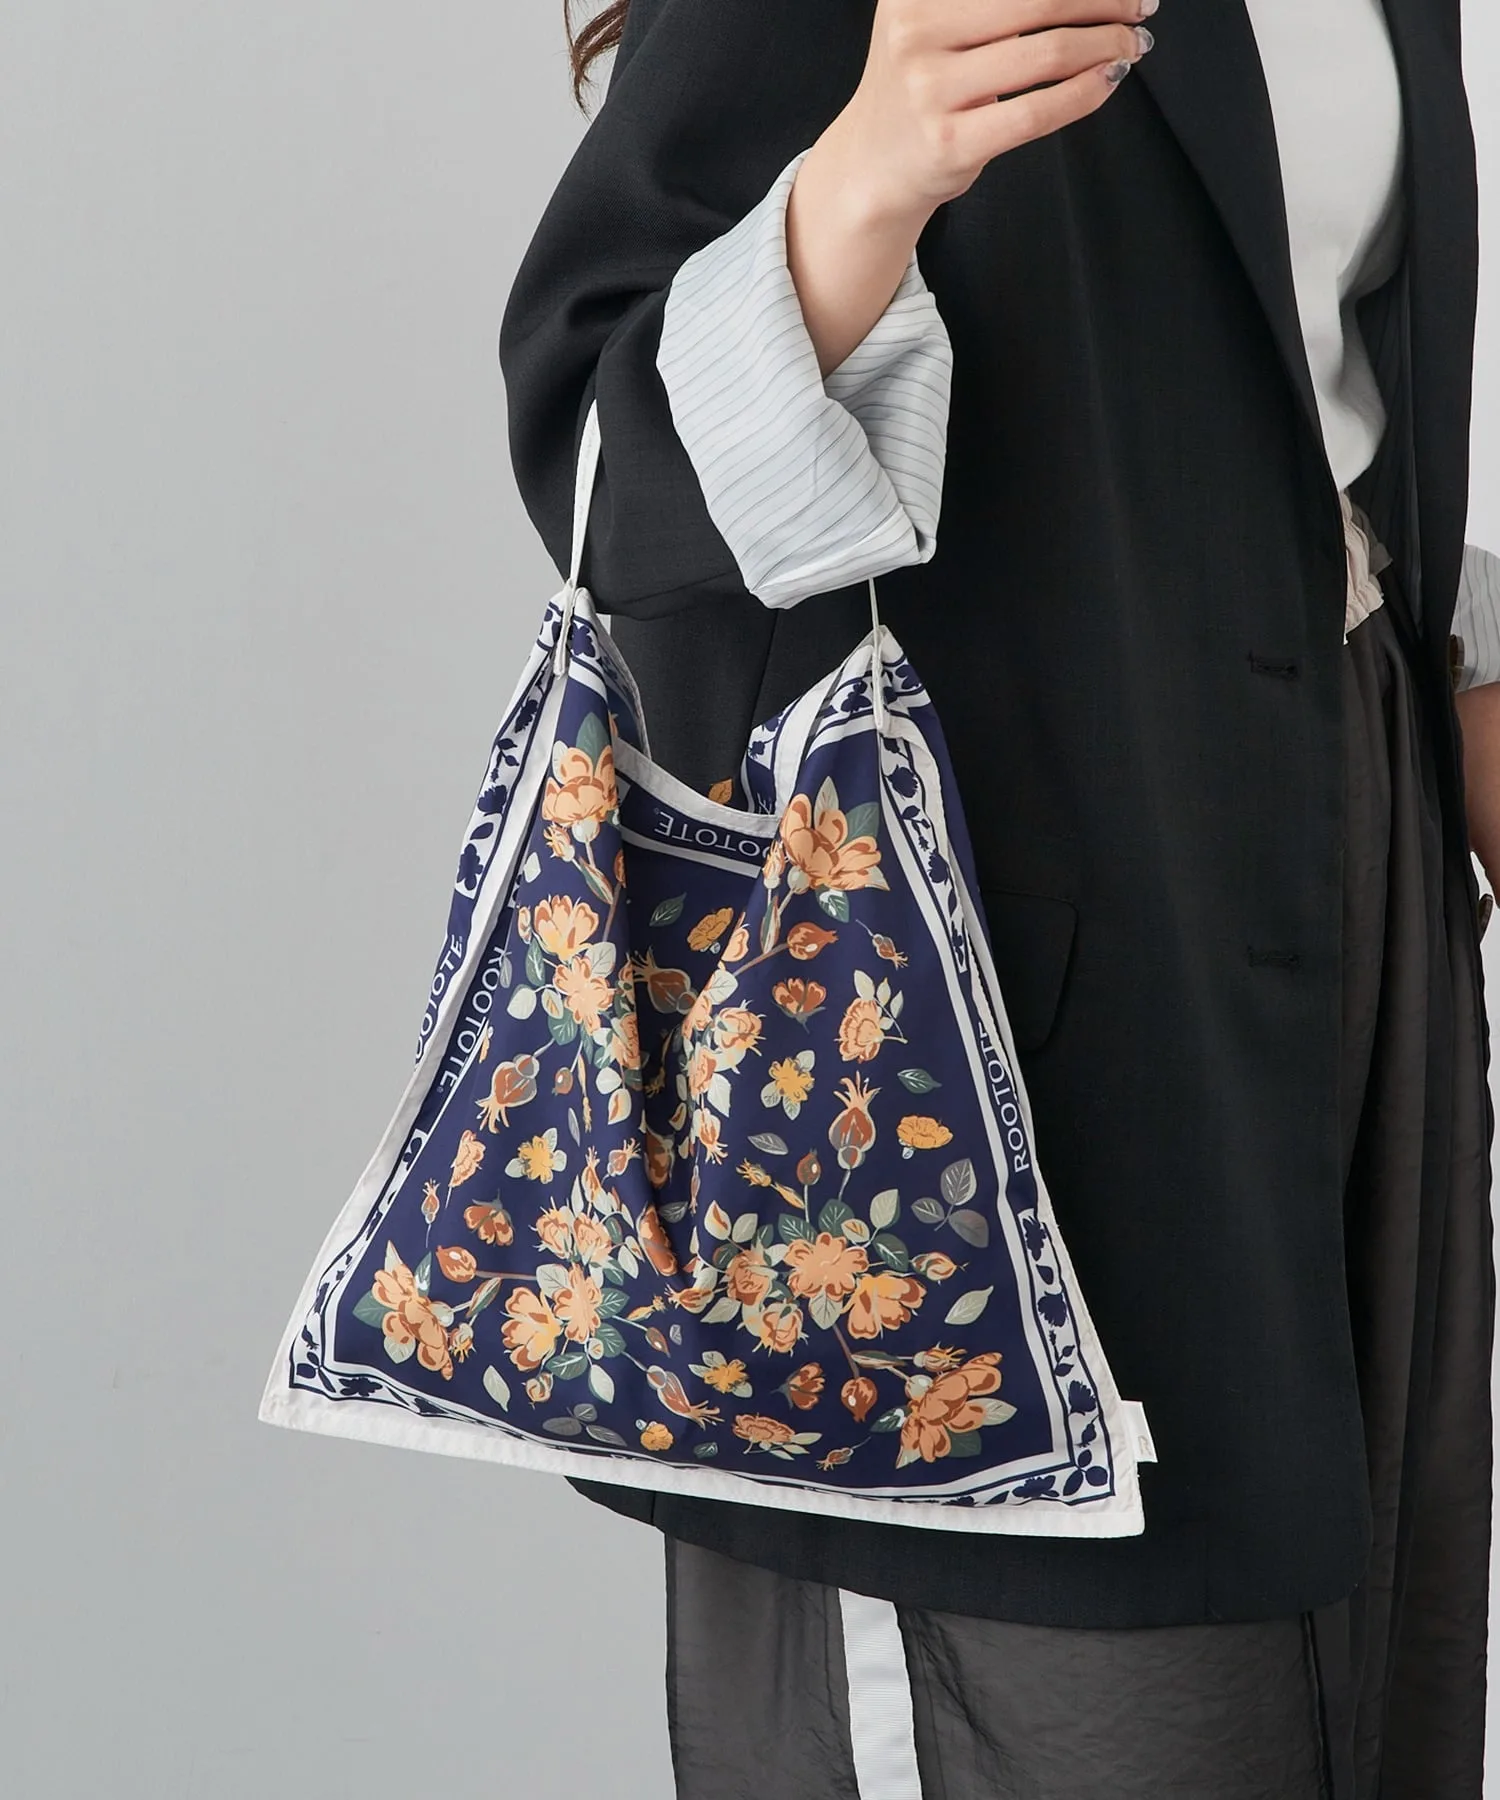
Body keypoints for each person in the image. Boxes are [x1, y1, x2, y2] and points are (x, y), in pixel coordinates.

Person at [497, 1, 1500, 1793]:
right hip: (973, 1013)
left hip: (1353, 872)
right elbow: (597, 455)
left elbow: (1289, 377)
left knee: (1377, 1705)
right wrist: (863, 183)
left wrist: (1451, 666)